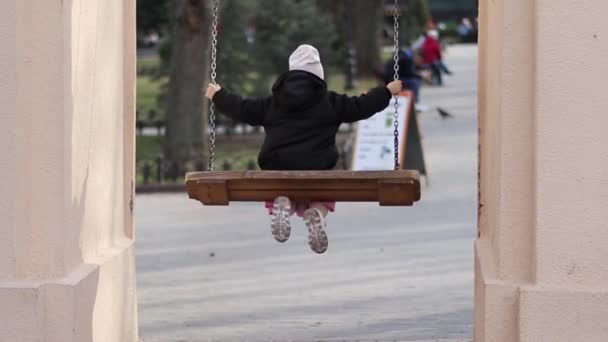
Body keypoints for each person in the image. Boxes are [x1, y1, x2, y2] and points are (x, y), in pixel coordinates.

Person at [205, 45, 402, 254]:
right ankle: (317, 212)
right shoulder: (331, 102)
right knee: (323, 194)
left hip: (277, 168)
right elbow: (362, 106)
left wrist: (218, 95)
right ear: (319, 75)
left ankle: (282, 206)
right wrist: (386, 91)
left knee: (278, 188)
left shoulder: (272, 104)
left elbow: (242, 108)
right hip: (317, 169)